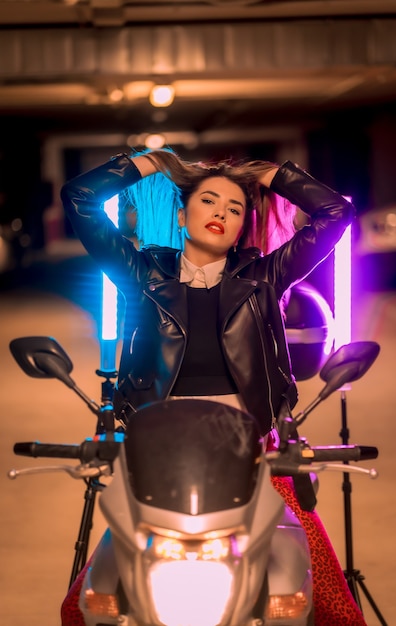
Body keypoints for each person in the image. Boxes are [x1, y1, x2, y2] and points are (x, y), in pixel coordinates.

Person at [60, 149, 366, 626]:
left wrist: (267, 174)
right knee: (87, 605)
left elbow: (335, 212)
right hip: (161, 449)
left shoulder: (265, 277)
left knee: (325, 601)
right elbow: (78, 197)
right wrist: (149, 163)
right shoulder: (142, 273)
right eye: (208, 200)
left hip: (252, 447)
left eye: (235, 207)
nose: (221, 211)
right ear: (183, 215)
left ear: (244, 226)